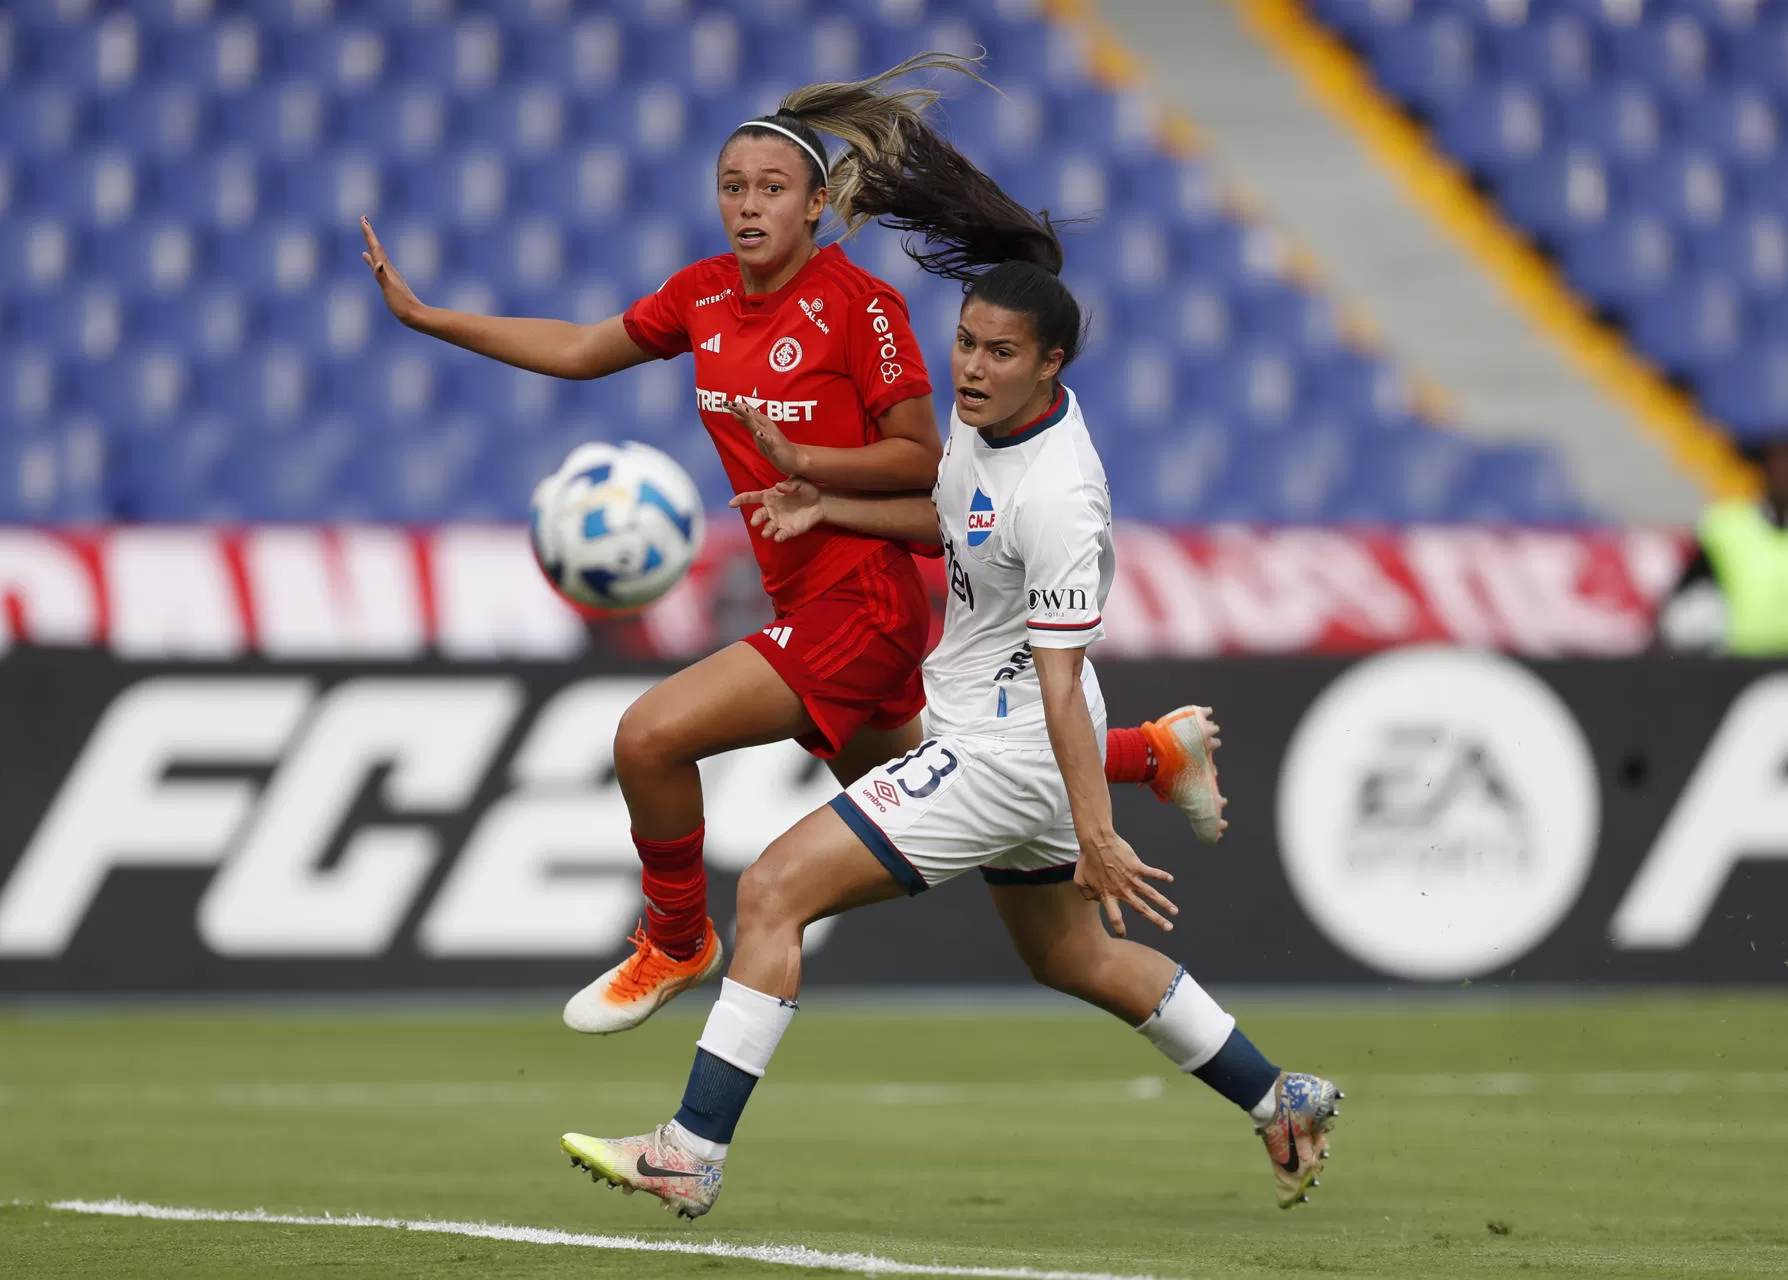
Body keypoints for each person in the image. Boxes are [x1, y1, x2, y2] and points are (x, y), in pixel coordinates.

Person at [558, 113, 1339, 1220]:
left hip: (1006, 751)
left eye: (998, 352)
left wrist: (1097, 828)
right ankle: (1275, 1090)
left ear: (1053, 364)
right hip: (996, 735)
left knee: (773, 890)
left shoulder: (1063, 499)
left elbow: (1063, 680)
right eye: (967, 342)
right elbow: (948, 513)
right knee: (1073, 957)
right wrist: (828, 498)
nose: (969, 367)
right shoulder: (992, 424)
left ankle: (690, 1147)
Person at [361, 55, 1225, 1035]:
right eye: (732, 187)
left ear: (817, 204)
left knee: (648, 735)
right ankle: (1153, 753)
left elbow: (923, 461)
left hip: (862, 607)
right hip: (807, 601)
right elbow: (577, 347)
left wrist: (808, 466)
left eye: (771, 189)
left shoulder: (860, 309)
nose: (747, 206)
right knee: (972, 799)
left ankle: (676, 937)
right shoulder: (702, 296)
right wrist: (427, 317)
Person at [1657, 429, 1788, 657]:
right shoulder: (1726, 529)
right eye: (1774, 465)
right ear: (1761, 471)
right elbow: (1683, 599)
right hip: (1742, 664)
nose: (1783, 473)